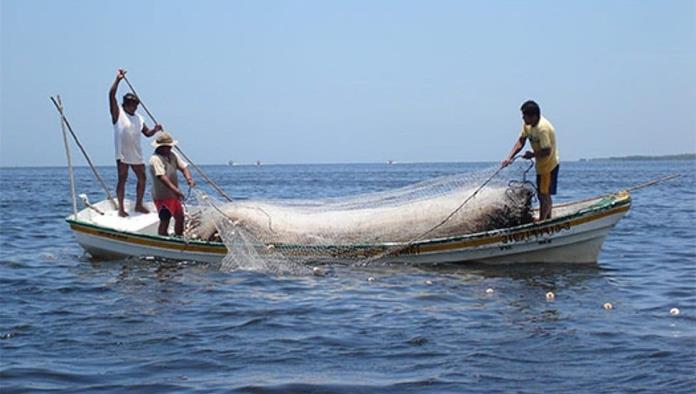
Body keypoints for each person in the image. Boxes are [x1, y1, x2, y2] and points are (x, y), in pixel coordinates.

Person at [109, 68, 162, 217]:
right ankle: (121, 208)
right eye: (132, 104)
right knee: (123, 178)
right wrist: (118, 80)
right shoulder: (118, 113)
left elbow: (147, 133)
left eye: (136, 105)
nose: (134, 107)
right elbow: (111, 95)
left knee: (142, 177)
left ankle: (138, 204)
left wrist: (155, 129)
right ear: (126, 104)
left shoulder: (139, 118)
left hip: (136, 152)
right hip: (122, 152)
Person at [501, 100, 559, 221]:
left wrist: (532, 154)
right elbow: (521, 141)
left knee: (544, 194)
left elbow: (547, 150)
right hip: (541, 165)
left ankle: (543, 221)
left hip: (549, 165)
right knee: (542, 193)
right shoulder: (527, 126)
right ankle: (547, 217)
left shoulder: (543, 128)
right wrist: (510, 157)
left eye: (524, 116)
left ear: (534, 116)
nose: (523, 118)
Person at [149, 132, 195, 236]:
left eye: (170, 146)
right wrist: (176, 190)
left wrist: (189, 178)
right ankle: (162, 240)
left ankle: (178, 237)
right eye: (167, 147)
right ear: (161, 147)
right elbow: (161, 176)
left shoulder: (172, 155)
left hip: (173, 195)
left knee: (180, 217)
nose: (169, 148)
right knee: (165, 219)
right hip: (162, 196)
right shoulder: (155, 159)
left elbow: (183, 167)